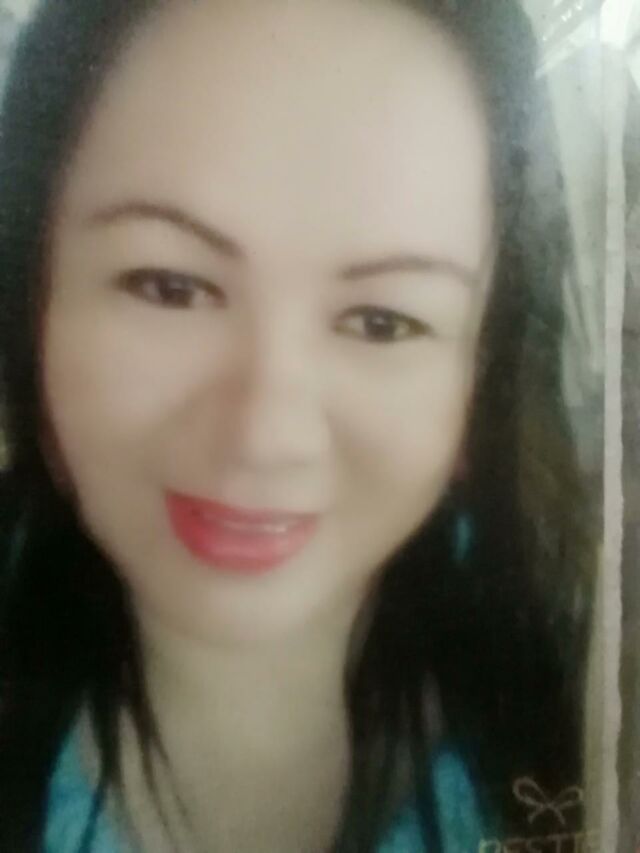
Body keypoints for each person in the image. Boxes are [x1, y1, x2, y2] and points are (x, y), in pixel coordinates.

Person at [0, 0, 595, 850]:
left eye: (383, 322)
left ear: (483, 373)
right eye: (170, 286)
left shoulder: (591, 696)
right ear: (35, 304)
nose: (264, 436)